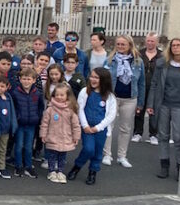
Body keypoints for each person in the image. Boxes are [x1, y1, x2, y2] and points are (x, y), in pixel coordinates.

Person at [147, 38, 180, 180]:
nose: (175, 48)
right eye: (173, 45)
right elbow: (155, 84)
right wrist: (150, 104)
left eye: (178, 45)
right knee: (162, 136)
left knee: (179, 138)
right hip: (163, 104)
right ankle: (164, 166)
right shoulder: (163, 63)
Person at [67, 68, 117, 185]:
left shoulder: (110, 96)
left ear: (103, 80)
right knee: (88, 149)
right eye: (92, 77)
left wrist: (98, 128)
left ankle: (93, 172)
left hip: (100, 129)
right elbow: (80, 109)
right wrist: (85, 126)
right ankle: (77, 166)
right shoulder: (85, 91)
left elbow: (111, 115)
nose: (93, 80)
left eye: (96, 78)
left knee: (98, 152)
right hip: (87, 128)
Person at [105, 35, 145, 168]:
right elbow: (103, 79)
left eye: (123, 44)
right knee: (109, 125)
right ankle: (107, 154)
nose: (120, 47)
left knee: (126, 128)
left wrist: (140, 103)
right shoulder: (110, 60)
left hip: (130, 98)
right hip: (113, 97)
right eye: (118, 44)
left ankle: (122, 156)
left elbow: (142, 83)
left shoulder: (138, 62)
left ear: (130, 45)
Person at [40, 82, 81, 183]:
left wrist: (76, 137)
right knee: (52, 156)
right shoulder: (50, 109)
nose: (59, 97)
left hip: (66, 137)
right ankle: (51, 171)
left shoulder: (70, 109)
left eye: (62, 95)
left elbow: (76, 125)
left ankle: (60, 172)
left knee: (62, 156)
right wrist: (43, 134)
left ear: (67, 96)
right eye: (57, 95)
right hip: (52, 136)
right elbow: (44, 123)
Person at [11, 67, 44, 178]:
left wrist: (37, 118)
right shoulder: (15, 93)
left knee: (29, 146)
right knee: (19, 145)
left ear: (34, 80)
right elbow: (13, 108)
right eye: (24, 79)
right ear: (20, 79)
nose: (26, 81)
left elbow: (40, 107)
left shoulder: (37, 93)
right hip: (20, 124)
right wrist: (17, 118)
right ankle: (19, 166)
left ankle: (28, 166)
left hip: (31, 124)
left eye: (29, 79)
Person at [133, 32, 162, 145]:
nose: (150, 43)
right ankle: (137, 133)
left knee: (153, 110)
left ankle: (153, 134)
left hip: (155, 87)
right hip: (141, 86)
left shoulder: (162, 55)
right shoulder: (139, 54)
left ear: (157, 42)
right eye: (148, 41)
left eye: (152, 41)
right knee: (139, 109)